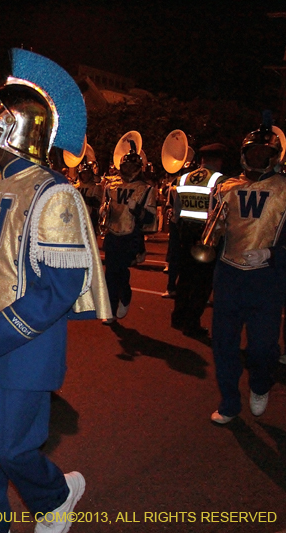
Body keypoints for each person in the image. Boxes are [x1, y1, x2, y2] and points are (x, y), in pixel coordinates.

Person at [0, 48, 110, 533]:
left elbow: (60, 288)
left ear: (12, 126)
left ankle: (57, 495)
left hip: (26, 348)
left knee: (12, 447)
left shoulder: (53, 193)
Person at [209, 120, 286, 424]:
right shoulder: (227, 186)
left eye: (263, 152)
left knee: (262, 348)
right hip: (229, 274)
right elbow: (215, 230)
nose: (256, 157)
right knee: (223, 343)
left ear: (274, 156)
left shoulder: (283, 187)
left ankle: (260, 383)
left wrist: (272, 254)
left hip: (266, 278)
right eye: (252, 152)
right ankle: (229, 402)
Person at [170, 143, 228, 337]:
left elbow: (176, 210)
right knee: (202, 282)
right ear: (218, 160)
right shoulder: (221, 180)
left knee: (185, 277)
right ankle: (192, 323)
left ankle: (178, 317)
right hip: (207, 235)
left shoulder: (184, 178)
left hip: (185, 230)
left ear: (201, 160)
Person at [100, 139, 156, 323]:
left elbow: (150, 220)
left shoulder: (146, 189)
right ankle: (110, 309)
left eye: (133, 166)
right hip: (112, 234)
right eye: (127, 165)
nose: (129, 169)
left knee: (120, 272)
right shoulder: (111, 186)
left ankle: (125, 296)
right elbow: (105, 211)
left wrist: (138, 211)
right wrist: (103, 212)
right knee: (110, 273)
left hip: (130, 235)